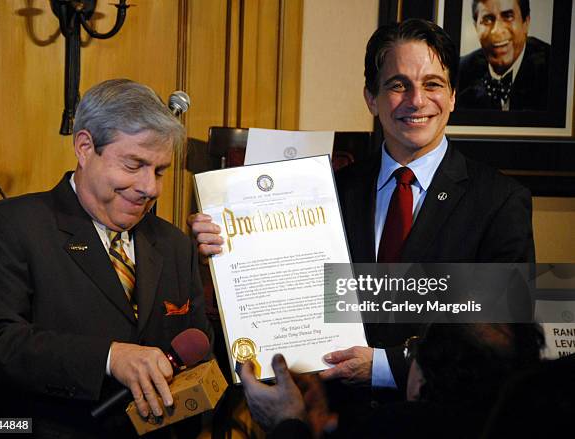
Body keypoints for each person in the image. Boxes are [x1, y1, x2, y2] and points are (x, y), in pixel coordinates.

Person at [189, 18, 534, 399]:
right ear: (371, 97)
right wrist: (230, 252)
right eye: (398, 85)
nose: (416, 100)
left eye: (432, 84)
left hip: (437, 419)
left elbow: (504, 340)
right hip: (334, 417)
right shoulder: (329, 190)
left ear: (452, 95)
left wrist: (385, 367)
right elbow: (286, 288)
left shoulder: (500, 201)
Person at [0, 79, 212, 438]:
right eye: (134, 165)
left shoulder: (175, 245)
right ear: (84, 147)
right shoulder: (9, 227)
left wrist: (220, 274)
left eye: (159, 171)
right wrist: (109, 358)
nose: (150, 188)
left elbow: (199, 352)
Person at [239, 323, 545, 438]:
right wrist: (316, 425)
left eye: (413, 350)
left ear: (424, 378)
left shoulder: (395, 428)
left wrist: (286, 423)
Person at [457, 0, 551, 111]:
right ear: (476, 27)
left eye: (508, 16)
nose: (497, 30)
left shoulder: (553, 67)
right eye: (487, 19)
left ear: (526, 23)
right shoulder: (460, 72)